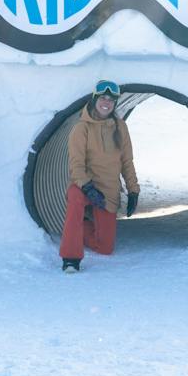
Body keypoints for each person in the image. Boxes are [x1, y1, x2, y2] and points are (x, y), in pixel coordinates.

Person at [58, 79, 140, 272]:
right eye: (102, 98)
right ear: (95, 100)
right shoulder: (81, 128)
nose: (106, 102)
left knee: (105, 248)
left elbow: (127, 161)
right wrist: (87, 187)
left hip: (108, 189)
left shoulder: (120, 128)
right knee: (75, 198)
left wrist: (133, 191)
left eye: (111, 100)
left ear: (115, 104)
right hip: (84, 186)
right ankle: (70, 257)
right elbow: (76, 165)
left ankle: (84, 226)